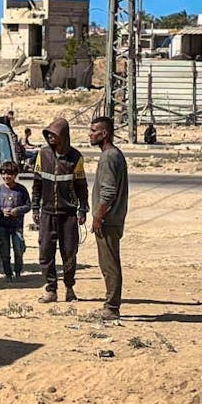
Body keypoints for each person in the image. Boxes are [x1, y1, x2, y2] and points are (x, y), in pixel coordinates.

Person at [32, 117, 89, 303]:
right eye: (48, 134)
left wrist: (83, 209)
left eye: (54, 134)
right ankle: (50, 289)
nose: (50, 137)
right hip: (47, 213)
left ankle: (70, 287)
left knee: (69, 252)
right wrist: (35, 208)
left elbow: (82, 186)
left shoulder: (76, 158)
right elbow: (37, 184)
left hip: (68, 215)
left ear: (63, 136)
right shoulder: (43, 155)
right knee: (45, 252)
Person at [89, 116, 129, 321]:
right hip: (112, 218)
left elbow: (108, 192)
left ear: (104, 133)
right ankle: (111, 304)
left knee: (109, 264)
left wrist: (98, 216)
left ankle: (112, 307)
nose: (90, 134)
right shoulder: (114, 155)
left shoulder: (109, 157)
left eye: (94, 130)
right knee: (109, 263)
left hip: (108, 220)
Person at [0, 161, 31, 281]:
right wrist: (1, 211)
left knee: (18, 251)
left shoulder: (21, 190)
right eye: (4, 174)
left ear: (15, 175)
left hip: (17, 226)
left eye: (9, 174)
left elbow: (28, 206)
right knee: (4, 253)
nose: (6, 177)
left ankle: (18, 272)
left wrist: (17, 211)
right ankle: (8, 274)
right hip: (3, 226)